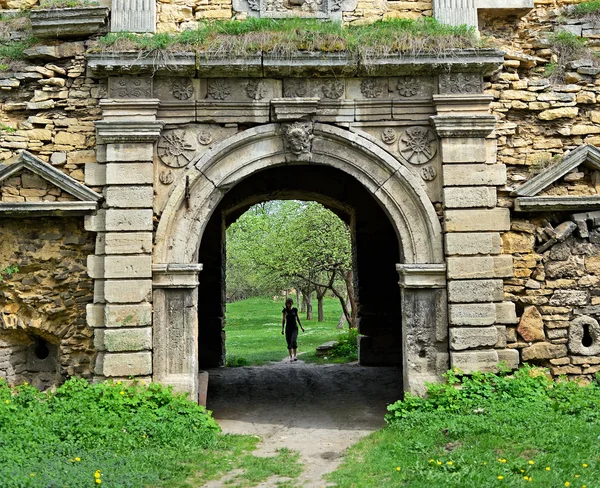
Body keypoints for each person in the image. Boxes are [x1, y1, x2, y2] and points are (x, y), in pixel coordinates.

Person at [281, 298, 304, 362]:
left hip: (294, 328)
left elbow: (298, 319)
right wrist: (282, 329)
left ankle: (295, 356)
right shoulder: (284, 311)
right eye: (288, 303)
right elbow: (283, 320)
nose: (289, 304)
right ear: (286, 304)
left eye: (290, 303)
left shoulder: (295, 310)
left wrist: (301, 327)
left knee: (294, 341)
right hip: (288, 329)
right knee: (289, 342)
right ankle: (291, 357)